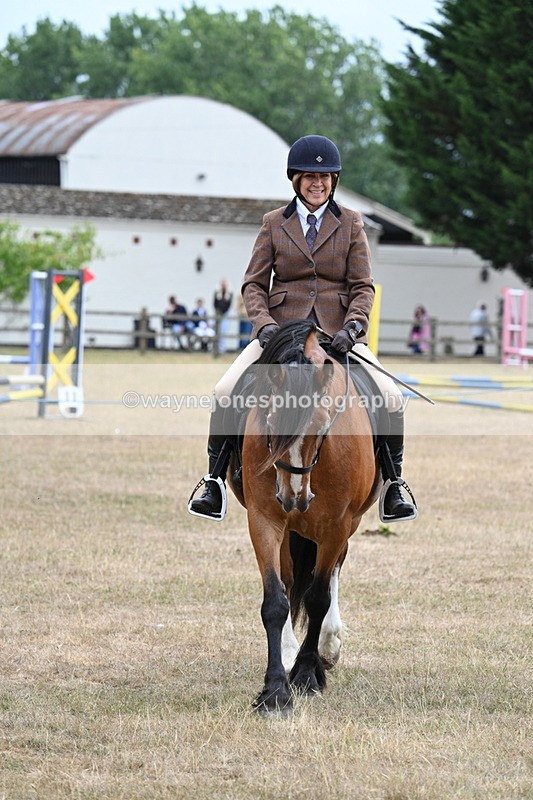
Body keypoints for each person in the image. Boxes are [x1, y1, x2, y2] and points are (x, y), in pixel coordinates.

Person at [188, 134, 417, 523]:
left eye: (326, 177)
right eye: (310, 176)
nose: (318, 183)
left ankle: (394, 485)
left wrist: (353, 326)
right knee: (224, 390)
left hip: (335, 337)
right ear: (296, 179)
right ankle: (213, 482)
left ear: (334, 181)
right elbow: (254, 285)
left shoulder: (351, 224)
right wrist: (264, 327)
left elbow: (362, 286)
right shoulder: (274, 224)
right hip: (279, 335)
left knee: (390, 397)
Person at [213, 279, 233, 353]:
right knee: (217, 330)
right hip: (218, 313)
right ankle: (217, 348)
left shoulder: (229, 293)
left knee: (224, 330)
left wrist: (224, 312)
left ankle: (222, 348)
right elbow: (215, 303)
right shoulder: (217, 293)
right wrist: (218, 311)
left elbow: (229, 304)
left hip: (226, 313)